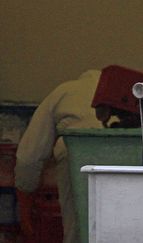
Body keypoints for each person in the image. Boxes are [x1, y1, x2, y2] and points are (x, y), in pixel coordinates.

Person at [15, 70, 103, 243]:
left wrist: (24, 216)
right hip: (134, 159)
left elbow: (28, 158)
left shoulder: (65, 92)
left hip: (75, 158)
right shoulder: (136, 93)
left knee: (78, 232)